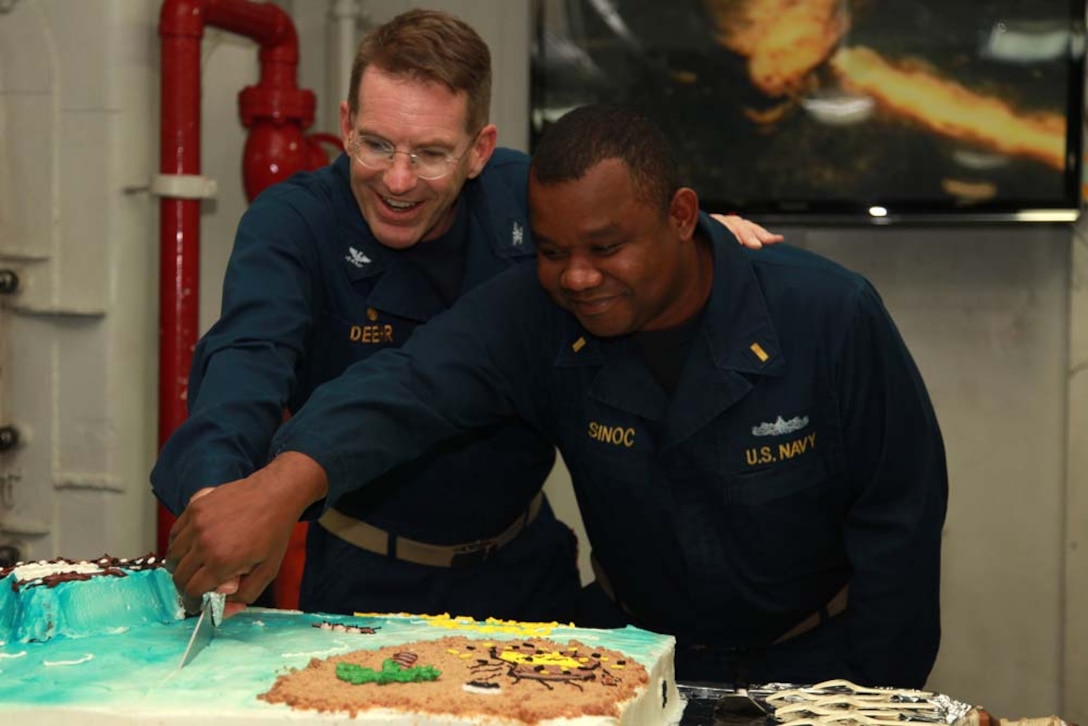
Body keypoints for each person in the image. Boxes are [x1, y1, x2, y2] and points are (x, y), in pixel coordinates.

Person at [166, 102, 947, 688]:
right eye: (552, 251)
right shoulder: (541, 314)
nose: (577, 276)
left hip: (814, 671)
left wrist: (880, 699)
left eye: (606, 248)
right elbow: (409, 385)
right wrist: (276, 487)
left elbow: (900, 526)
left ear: (682, 216)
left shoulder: (827, 313)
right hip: (640, 663)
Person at [152, 10, 780, 623]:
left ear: (480, 149)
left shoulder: (526, 197)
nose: (398, 180)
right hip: (364, 580)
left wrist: (686, 246)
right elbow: (242, 365)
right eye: (375, 145)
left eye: (430, 154)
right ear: (345, 126)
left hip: (524, 570)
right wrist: (222, 503)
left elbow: (624, 229)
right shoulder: (293, 224)